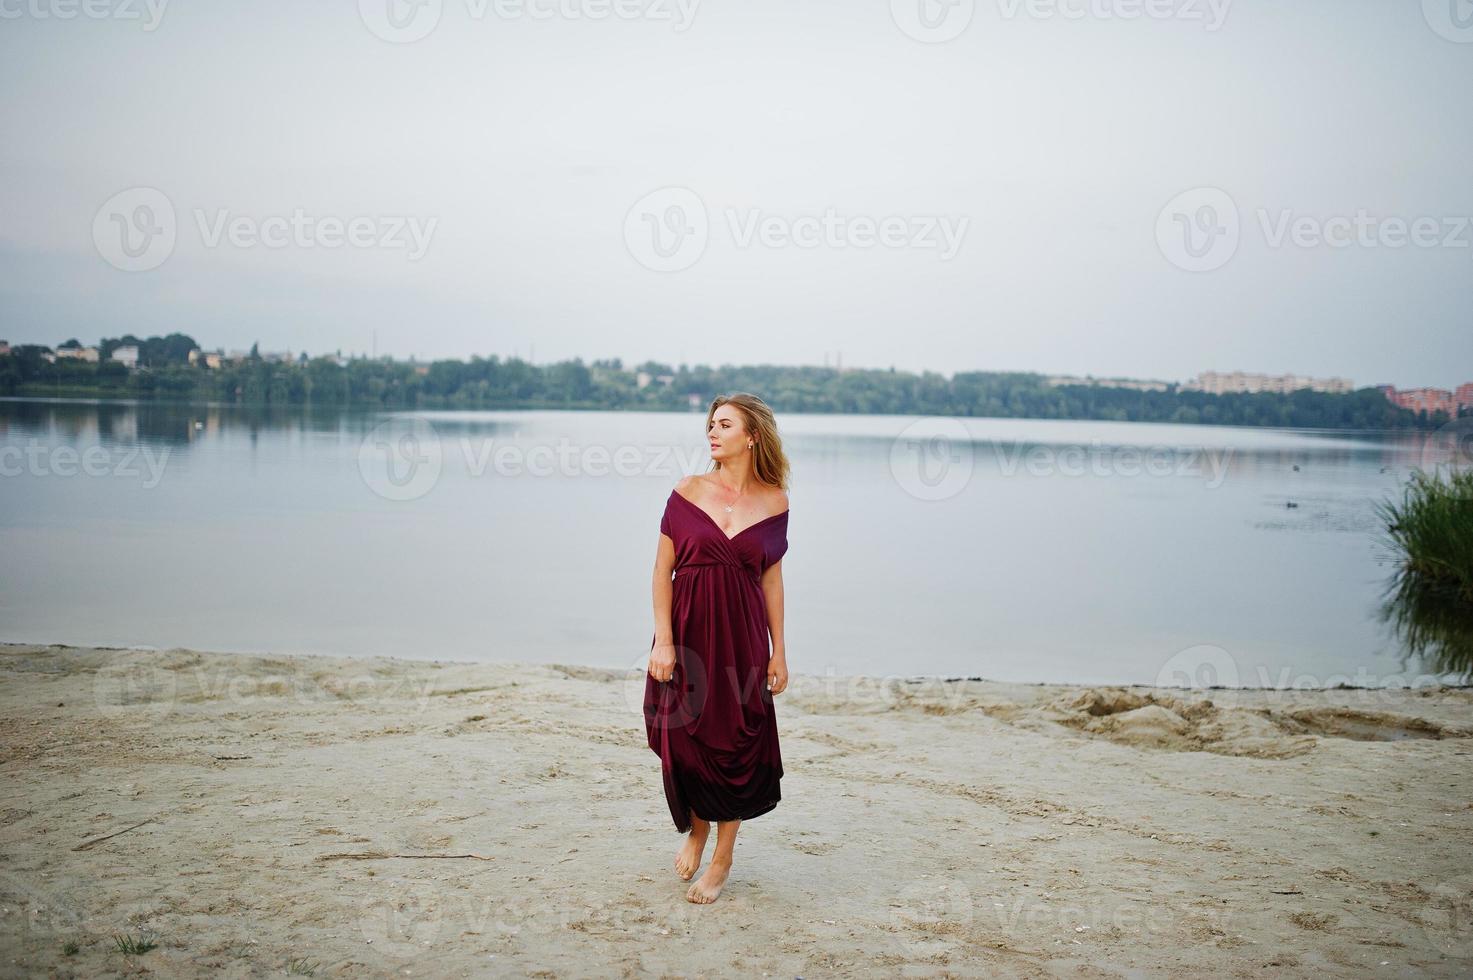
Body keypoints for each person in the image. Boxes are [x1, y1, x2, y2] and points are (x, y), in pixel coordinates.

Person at [644, 392, 790, 904]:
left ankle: (723, 856)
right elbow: (662, 571)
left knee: (736, 744)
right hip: (686, 633)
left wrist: (779, 649)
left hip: (743, 636)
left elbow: (771, 579)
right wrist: (663, 640)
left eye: (724, 424)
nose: (712, 431)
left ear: (751, 437)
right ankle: (697, 827)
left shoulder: (775, 501)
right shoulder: (686, 492)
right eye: (711, 423)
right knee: (684, 736)